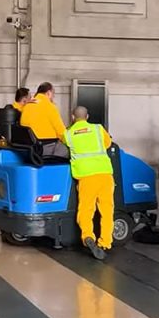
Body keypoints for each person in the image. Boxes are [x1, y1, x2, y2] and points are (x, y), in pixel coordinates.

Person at [61, 106, 114, 260]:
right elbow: (108, 143)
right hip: (105, 174)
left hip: (86, 176)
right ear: (88, 116)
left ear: (72, 117)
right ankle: (105, 242)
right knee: (107, 210)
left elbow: (63, 147)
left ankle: (87, 237)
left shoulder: (68, 134)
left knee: (86, 210)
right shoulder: (98, 129)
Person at [20, 82, 69, 158]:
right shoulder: (50, 106)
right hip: (45, 148)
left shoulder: (27, 106)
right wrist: (70, 143)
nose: (53, 98)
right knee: (69, 151)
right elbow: (61, 131)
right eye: (53, 95)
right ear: (49, 93)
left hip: (28, 148)